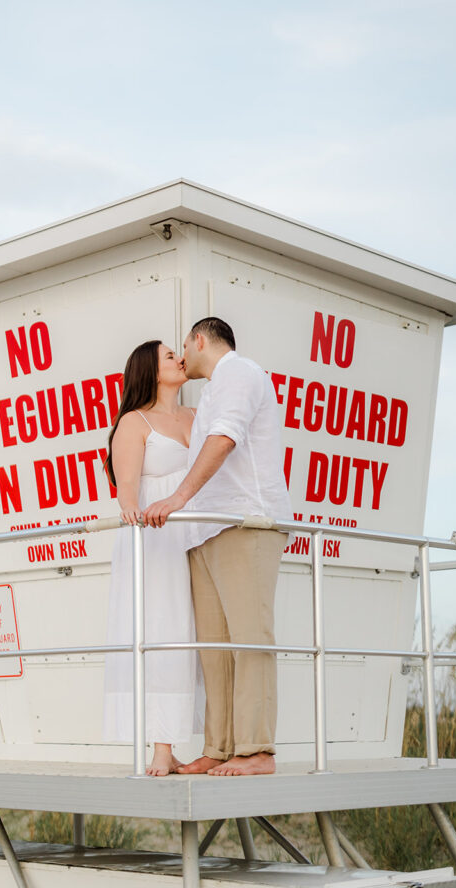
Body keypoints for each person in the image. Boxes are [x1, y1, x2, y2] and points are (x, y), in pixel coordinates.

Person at [144, 317, 292, 776]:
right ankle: (221, 747)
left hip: (245, 522)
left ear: (199, 340)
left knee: (249, 638)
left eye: (183, 347)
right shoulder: (210, 391)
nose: (181, 357)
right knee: (215, 648)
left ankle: (257, 750)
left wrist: (177, 498)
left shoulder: (241, 373)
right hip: (207, 532)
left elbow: (224, 438)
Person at [103, 340, 203, 776]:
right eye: (168, 356)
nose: (179, 359)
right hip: (156, 539)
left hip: (198, 533)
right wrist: (130, 511)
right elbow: (127, 485)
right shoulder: (134, 421)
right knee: (164, 629)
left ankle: (202, 744)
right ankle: (161, 746)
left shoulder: (197, 418)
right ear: (150, 369)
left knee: (195, 635)